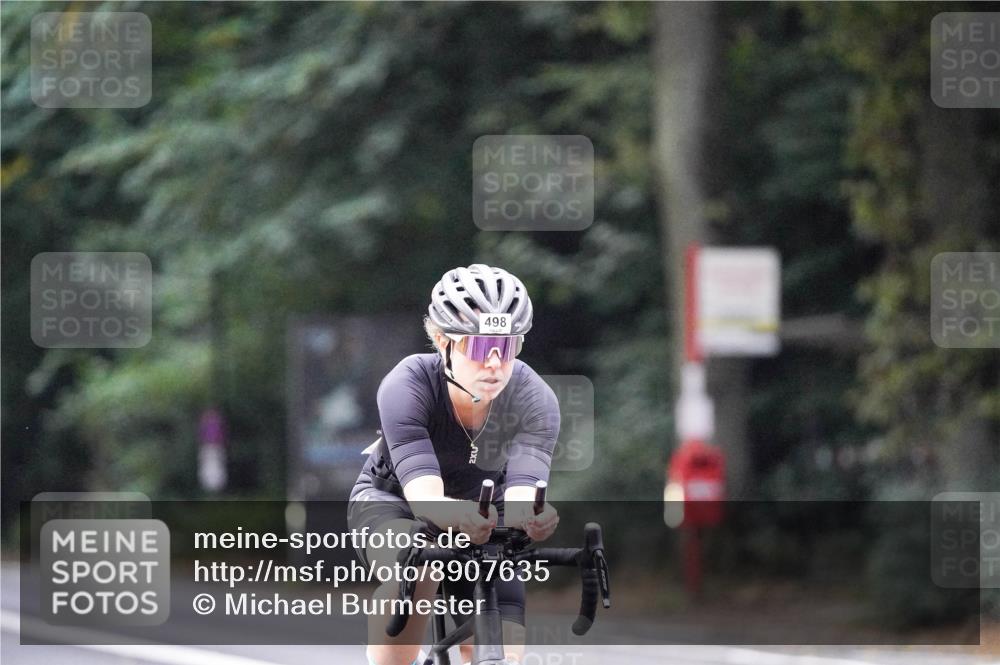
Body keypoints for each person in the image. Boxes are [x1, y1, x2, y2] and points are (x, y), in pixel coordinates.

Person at [348, 264, 561, 665]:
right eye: (479, 347)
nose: (495, 363)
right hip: (395, 503)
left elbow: (520, 499)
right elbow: (426, 501)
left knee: (503, 631)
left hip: (481, 516)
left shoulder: (535, 399)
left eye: (508, 346)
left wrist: (532, 515)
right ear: (441, 340)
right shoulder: (407, 383)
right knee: (418, 563)